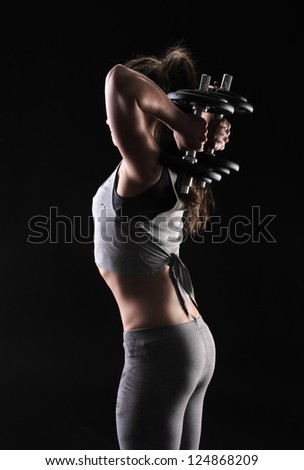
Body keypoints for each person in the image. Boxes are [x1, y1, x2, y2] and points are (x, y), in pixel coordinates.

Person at [92, 43, 231, 450]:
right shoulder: (165, 175)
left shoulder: (143, 170)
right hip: (190, 341)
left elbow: (118, 80)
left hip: (161, 351)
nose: (108, 117)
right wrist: (196, 129)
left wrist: (181, 122)